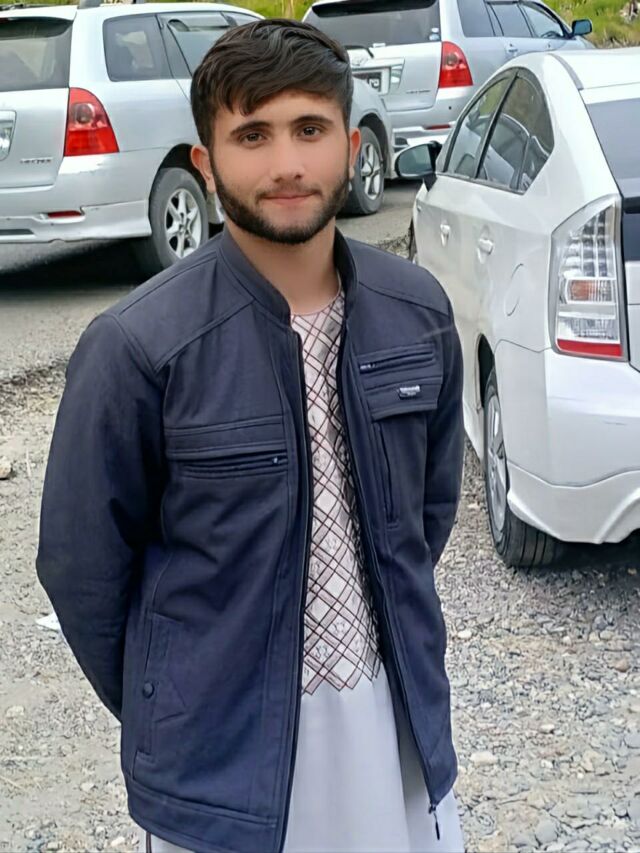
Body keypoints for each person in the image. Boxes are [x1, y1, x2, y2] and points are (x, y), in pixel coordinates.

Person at [36, 19, 466, 853]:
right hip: (225, 771)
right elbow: (83, 569)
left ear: (352, 144)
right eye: (253, 135)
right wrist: (182, 699)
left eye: (310, 128)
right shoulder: (139, 346)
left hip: (396, 733)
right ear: (205, 163)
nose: (286, 164)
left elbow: (426, 516)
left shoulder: (416, 311)